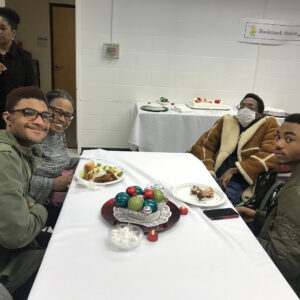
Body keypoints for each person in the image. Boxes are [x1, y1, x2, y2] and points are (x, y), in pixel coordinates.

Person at [237, 113, 300, 297]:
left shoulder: (295, 191)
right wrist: (258, 216)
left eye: (289, 139)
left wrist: (240, 239)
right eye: (279, 137)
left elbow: (283, 262)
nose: (279, 144)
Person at [0, 86, 52, 299]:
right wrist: (41, 210)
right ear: (8, 118)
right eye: (29, 113)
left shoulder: (21, 152)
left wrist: (29, 207)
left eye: (45, 116)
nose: (40, 122)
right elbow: (17, 235)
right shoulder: (5, 158)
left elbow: (22, 197)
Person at [187, 93, 280, 206]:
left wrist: (234, 170)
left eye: (251, 107)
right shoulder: (227, 122)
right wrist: (209, 170)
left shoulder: (269, 124)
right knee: (189, 196)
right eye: (242, 106)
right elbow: (205, 145)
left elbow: (271, 155)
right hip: (214, 173)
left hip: (240, 181)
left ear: (259, 114)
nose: (245, 109)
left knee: (217, 206)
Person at [30, 89, 79, 228]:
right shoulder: (31, 137)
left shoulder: (58, 134)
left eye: (68, 115)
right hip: (39, 204)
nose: (62, 119)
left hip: (59, 193)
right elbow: (17, 181)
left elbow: (62, 161)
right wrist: (52, 183)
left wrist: (83, 161)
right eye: (57, 112)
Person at [0, 7, 35, 129]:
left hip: (15, 114)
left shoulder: (24, 57)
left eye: (2, 28)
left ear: (13, 32)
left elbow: (30, 88)